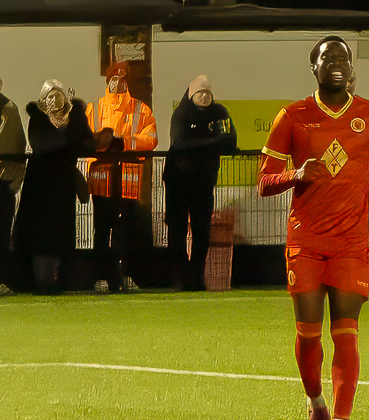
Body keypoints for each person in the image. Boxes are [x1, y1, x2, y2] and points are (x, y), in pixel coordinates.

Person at [256, 36, 369, 420]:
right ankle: (316, 400)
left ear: (352, 68)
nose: (336, 62)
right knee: (308, 333)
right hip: (306, 241)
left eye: (343, 57)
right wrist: (295, 174)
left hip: (351, 243)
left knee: (346, 333)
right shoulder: (293, 117)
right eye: (327, 57)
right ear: (313, 67)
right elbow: (263, 182)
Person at [17, 80, 94, 295]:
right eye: (50, 96)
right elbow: (44, 145)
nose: (54, 100)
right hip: (41, 187)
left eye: (58, 95)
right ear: (43, 99)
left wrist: (74, 128)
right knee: (42, 234)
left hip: (63, 187)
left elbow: (89, 145)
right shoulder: (38, 120)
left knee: (61, 233)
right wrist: (71, 136)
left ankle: (60, 279)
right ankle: (41, 280)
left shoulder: (72, 120)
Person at [85, 62, 156, 292]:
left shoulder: (141, 109)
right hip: (101, 178)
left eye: (122, 79)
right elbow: (85, 140)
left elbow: (151, 138)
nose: (117, 83)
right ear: (108, 82)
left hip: (128, 179)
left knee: (125, 231)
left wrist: (122, 143)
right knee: (101, 230)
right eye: (113, 79)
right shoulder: (94, 108)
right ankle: (101, 277)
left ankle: (123, 276)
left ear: (127, 82)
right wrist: (104, 144)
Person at [163, 75, 237, 290]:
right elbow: (179, 143)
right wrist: (213, 142)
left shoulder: (220, 112)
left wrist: (202, 144)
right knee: (177, 229)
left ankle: (197, 277)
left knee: (202, 230)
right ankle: (180, 277)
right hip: (177, 181)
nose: (204, 97)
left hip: (204, 182)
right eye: (200, 93)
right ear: (191, 94)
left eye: (207, 93)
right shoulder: (181, 113)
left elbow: (230, 141)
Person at [0, 71, 23, 295]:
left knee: (1, 231)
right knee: (1, 231)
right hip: (3, 181)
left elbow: (14, 146)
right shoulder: (9, 109)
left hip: (2, 181)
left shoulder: (9, 109)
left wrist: (13, 178)